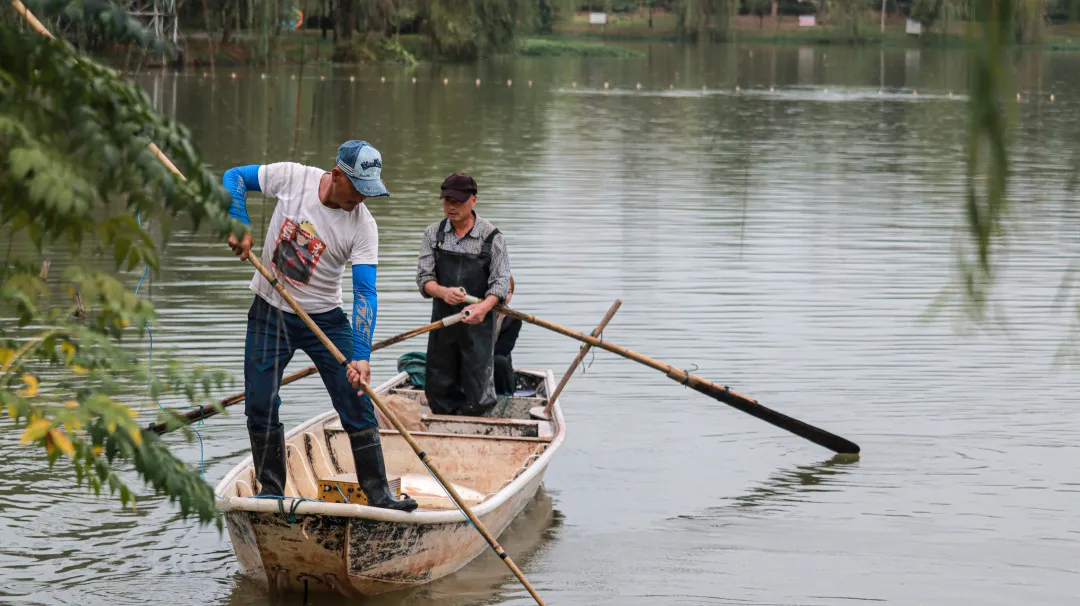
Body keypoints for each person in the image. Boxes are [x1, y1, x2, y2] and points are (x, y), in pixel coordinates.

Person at [223, 140, 417, 512]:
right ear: (338, 175)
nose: (361, 199)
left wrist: (360, 355)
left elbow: (365, 292)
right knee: (260, 401)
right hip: (270, 311)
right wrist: (239, 221)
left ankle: (379, 493)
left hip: (325, 319)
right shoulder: (294, 178)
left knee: (355, 399)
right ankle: (271, 491)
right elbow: (234, 177)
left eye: (368, 192)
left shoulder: (364, 227)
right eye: (358, 189)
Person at [415, 173, 511, 416]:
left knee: (477, 385)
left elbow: (500, 284)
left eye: (457, 201)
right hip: (443, 321)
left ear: (473, 201)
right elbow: (424, 279)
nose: (451, 206)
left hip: (478, 322)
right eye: (447, 200)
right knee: (438, 382)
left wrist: (483, 308)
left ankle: (478, 425)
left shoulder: (492, 238)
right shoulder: (433, 235)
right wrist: (441, 292)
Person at [493, 276, 522, 396]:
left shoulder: (514, 319)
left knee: (500, 361)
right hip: (472, 361)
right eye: (500, 291)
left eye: (509, 292)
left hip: (497, 363)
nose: (504, 296)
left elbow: (504, 349)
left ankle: (504, 396)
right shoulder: (474, 313)